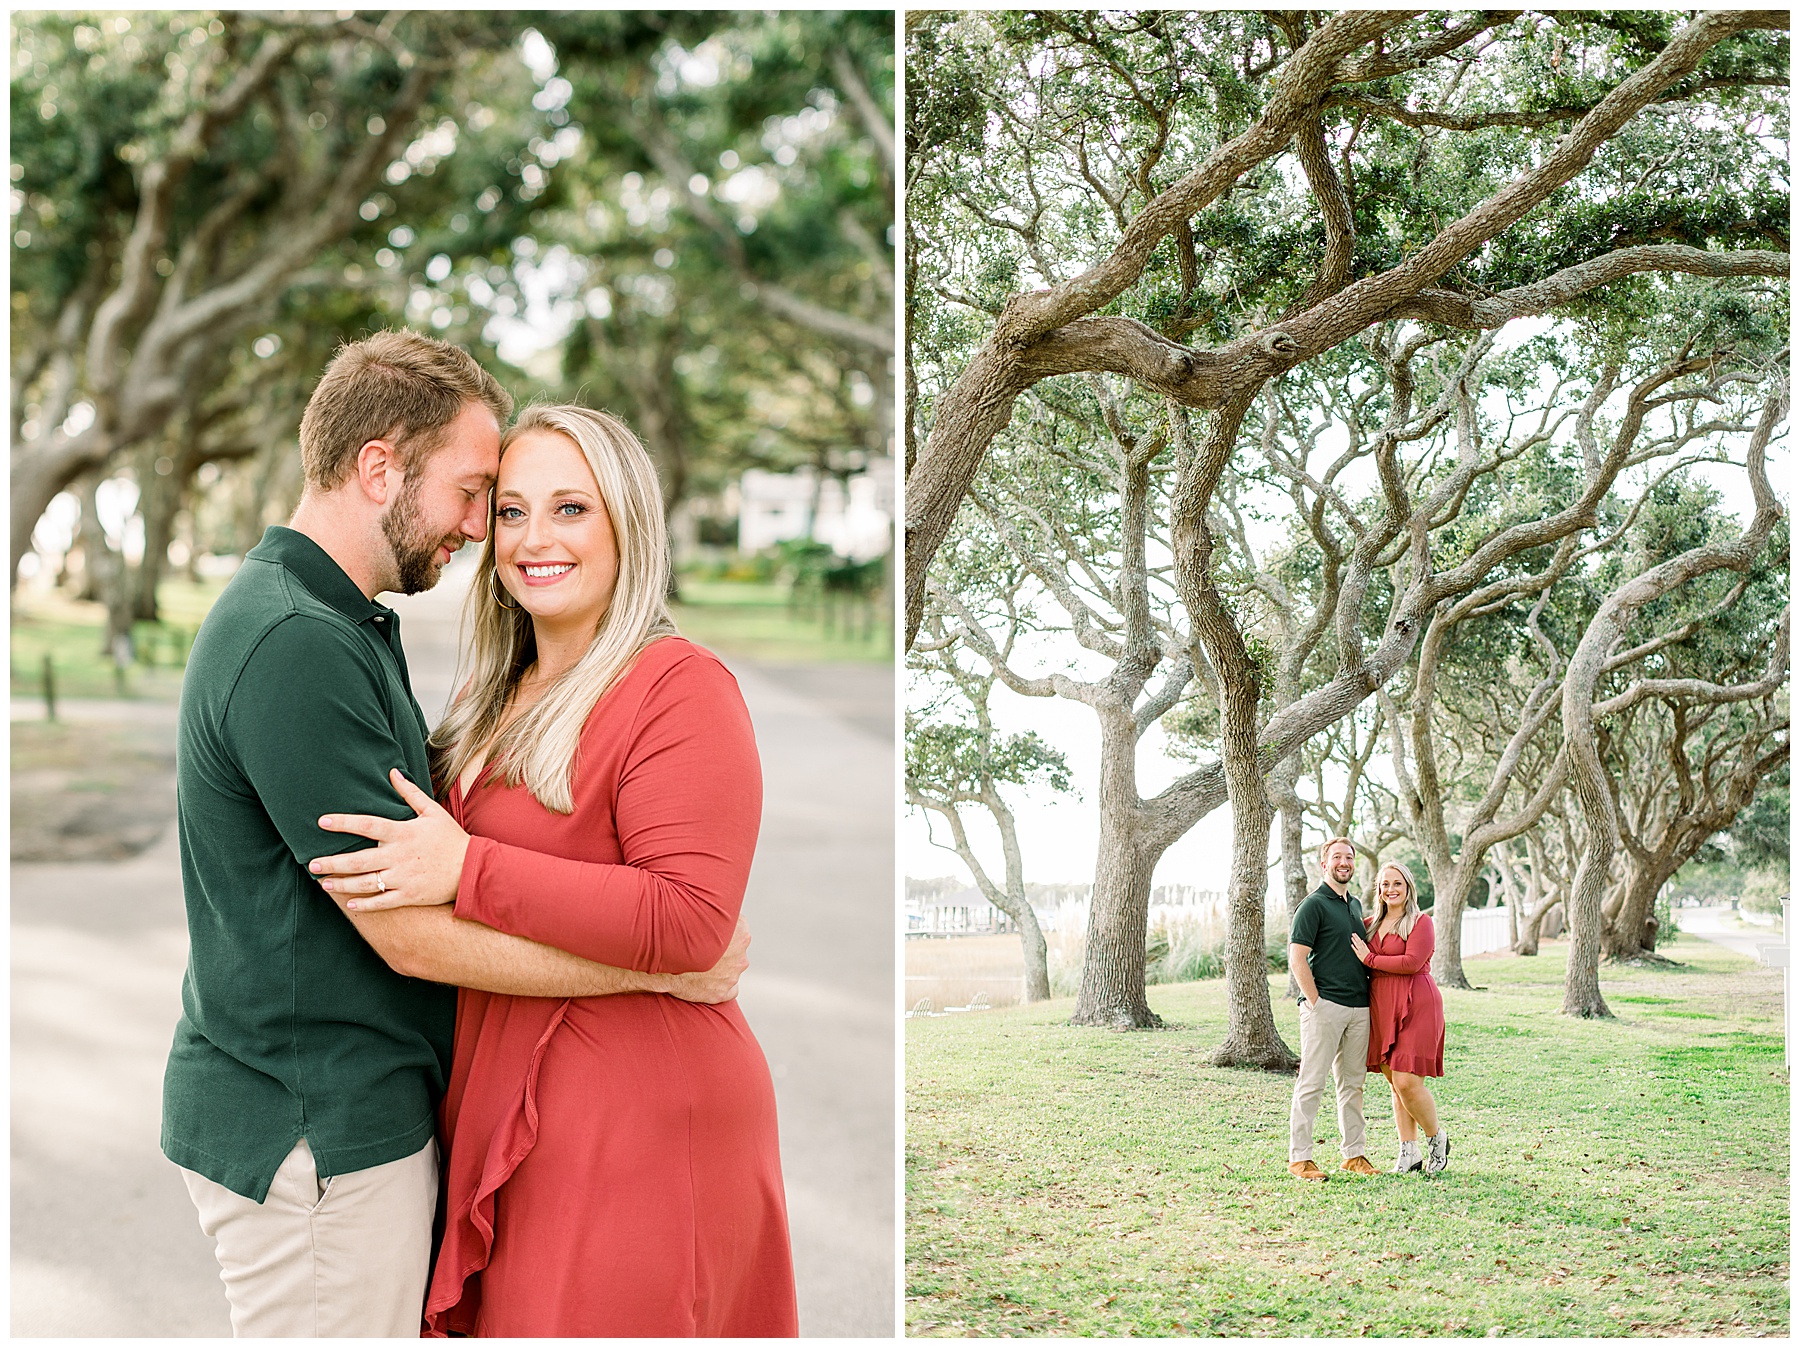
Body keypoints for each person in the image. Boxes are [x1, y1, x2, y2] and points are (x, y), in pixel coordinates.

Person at [161, 332, 747, 1338]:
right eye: (487, 497)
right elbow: (406, 930)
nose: (486, 530)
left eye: (562, 507)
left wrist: (647, 936)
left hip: (452, 1118)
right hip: (317, 1124)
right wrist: (659, 973)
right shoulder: (298, 639)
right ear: (379, 469)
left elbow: (669, 899)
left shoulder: (347, 625)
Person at [307, 403, 799, 1336]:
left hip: (638, 1121)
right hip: (506, 1106)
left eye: (571, 508)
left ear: (628, 523)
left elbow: (689, 918)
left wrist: (469, 867)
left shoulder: (679, 687)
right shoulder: (493, 692)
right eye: (511, 511)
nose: (535, 539)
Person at [1286, 836, 1379, 1181]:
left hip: (1359, 1009)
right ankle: (1300, 1159)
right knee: (1312, 1083)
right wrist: (1316, 1002)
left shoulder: (1354, 905)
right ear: (1324, 864)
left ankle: (1353, 1155)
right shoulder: (1313, 905)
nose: (1344, 863)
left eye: (1349, 857)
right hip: (1325, 1007)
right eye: (1337, 857)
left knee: (1353, 1086)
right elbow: (1297, 958)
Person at [1350, 860, 1449, 1174]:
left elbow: (1412, 962)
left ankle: (1437, 1140)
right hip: (1381, 1005)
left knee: (1406, 1081)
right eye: (1385, 884)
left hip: (1417, 1003)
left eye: (1397, 884)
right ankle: (1409, 1152)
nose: (1391, 889)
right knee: (1395, 1084)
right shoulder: (1368, 925)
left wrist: (1369, 958)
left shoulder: (1421, 922)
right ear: (1378, 889)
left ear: (1408, 888)